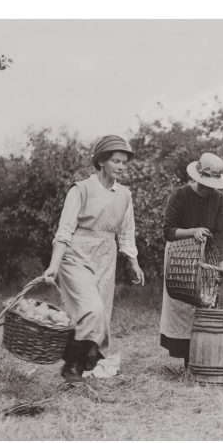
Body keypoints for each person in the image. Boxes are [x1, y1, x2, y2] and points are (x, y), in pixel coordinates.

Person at [43, 135, 145, 384]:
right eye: (116, 161)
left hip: (105, 257)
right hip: (76, 255)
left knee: (101, 314)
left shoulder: (125, 195)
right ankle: (72, 365)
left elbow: (126, 231)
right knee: (91, 308)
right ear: (101, 161)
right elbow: (64, 230)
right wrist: (54, 266)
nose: (122, 167)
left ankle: (87, 356)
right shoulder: (81, 189)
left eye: (124, 162)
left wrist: (133, 262)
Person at [159, 152, 223, 371]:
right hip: (180, 258)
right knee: (182, 306)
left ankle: (204, 358)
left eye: (211, 184)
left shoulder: (219, 199)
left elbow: (222, 234)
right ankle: (188, 361)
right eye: (204, 183)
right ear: (197, 176)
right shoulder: (180, 195)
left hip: (207, 258)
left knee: (206, 302)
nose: (207, 188)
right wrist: (192, 231)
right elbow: (168, 231)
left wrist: (221, 263)